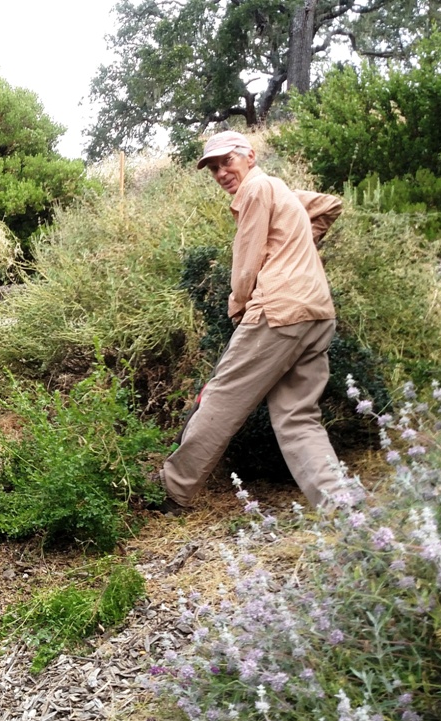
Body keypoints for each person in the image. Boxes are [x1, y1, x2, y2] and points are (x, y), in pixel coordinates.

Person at [150, 131, 345, 514]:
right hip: (317, 312)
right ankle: (343, 509)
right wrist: (295, 248)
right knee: (297, 417)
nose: (222, 172)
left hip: (277, 311)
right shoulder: (281, 192)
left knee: (222, 398)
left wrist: (238, 304)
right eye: (214, 168)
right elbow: (329, 206)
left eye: (228, 161)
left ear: (250, 157)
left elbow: (246, 265)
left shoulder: (256, 191)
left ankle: (171, 490)